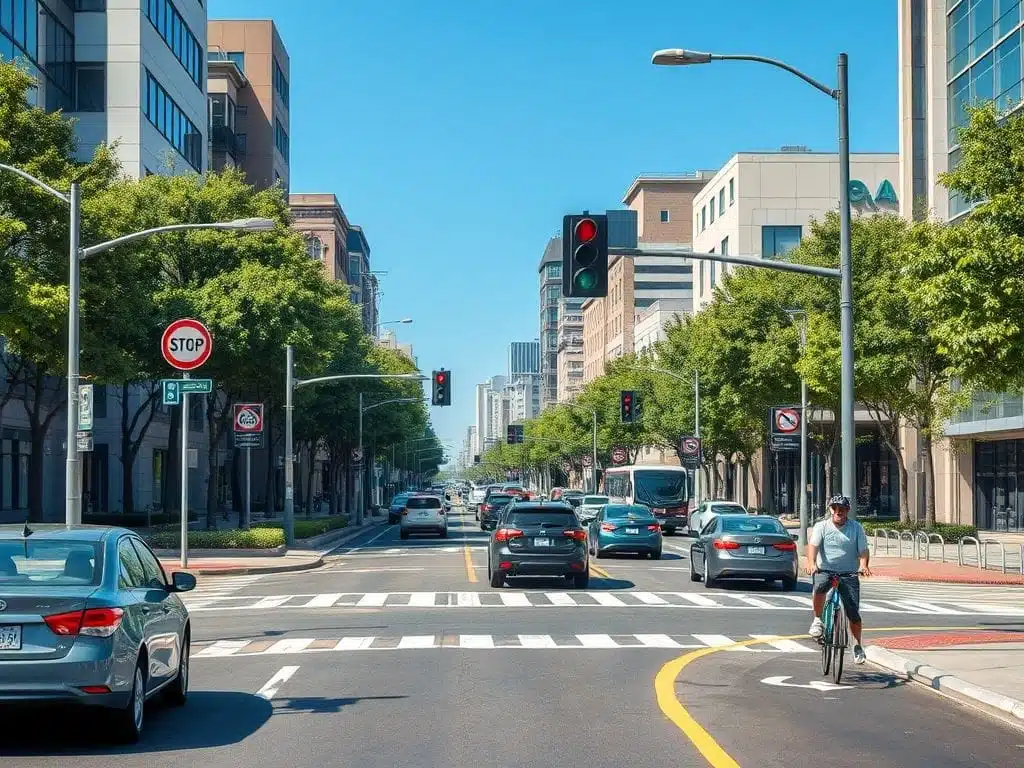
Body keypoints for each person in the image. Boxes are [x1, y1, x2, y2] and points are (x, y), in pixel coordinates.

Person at [805, 494, 871, 664]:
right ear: (830, 510)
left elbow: (863, 550)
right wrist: (812, 563)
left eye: (842, 509)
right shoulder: (822, 526)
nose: (838, 511)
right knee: (819, 587)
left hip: (849, 573)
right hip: (825, 570)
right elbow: (813, 546)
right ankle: (818, 620)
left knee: (853, 612)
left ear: (847, 511)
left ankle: (857, 645)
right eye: (835, 508)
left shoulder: (856, 528)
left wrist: (864, 565)